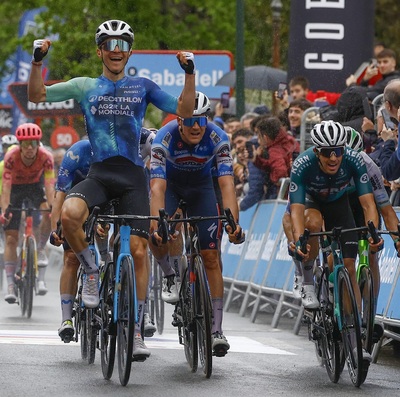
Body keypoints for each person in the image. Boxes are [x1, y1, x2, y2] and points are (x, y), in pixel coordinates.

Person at [28, 19, 196, 360]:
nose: (115, 51)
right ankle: (91, 270)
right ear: (100, 50)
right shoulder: (85, 85)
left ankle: (135, 332)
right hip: (100, 173)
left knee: (137, 250)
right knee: (71, 215)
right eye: (109, 44)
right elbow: (37, 95)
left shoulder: (143, 86)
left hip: (133, 176)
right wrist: (37, 62)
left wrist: (190, 74)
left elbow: (184, 111)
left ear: (129, 51)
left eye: (122, 45)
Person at [149, 91, 244, 357]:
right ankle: (169, 273)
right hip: (170, 187)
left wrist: (233, 224)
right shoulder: (164, 137)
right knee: (156, 234)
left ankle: (216, 329)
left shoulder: (218, 137)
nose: (195, 127)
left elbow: (227, 184)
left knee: (211, 256)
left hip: (202, 189)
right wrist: (159, 224)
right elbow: (156, 186)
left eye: (201, 122)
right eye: (189, 121)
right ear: (179, 121)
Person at [289, 120, 380, 363]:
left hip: (339, 204)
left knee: (349, 267)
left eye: (337, 151)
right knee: (313, 225)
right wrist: (300, 240)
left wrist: (373, 232)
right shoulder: (302, 164)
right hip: (311, 202)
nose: (333, 158)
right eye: (327, 153)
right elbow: (296, 210)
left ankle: (356, 342)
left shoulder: (354, 159)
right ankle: (308, 282)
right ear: (316, 151)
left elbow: (368, 203)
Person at [345, 127, 400, 313]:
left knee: (371, 254)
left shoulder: (369, 165)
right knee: (337, 257)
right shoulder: (328, 166)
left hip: (365, 206)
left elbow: (385, 208)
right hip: (339, 205)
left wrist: (397, 239)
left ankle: (370, 312)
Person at [1, 123, 55, 302]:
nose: (30, 147)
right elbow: (6, 187)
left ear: (39, 143)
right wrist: (4, 210)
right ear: (19, 145)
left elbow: (49, 185)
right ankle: (10, 283)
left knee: (48, 212)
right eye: (25, 143)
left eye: (33, 142)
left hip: (35, 186)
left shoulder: (46, 157)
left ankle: (39, 249)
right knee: (10, 238)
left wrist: (53, 208)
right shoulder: (11, 157)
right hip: (15, 189)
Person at [251, 116, 300, 198]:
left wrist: (275, 179)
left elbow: (280, 170)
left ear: (265, 138)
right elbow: (273, 163)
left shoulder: (274, 150)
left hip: (286, 193)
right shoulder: (290, 140)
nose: (258, 140)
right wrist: (258, 159)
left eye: (259, 136)